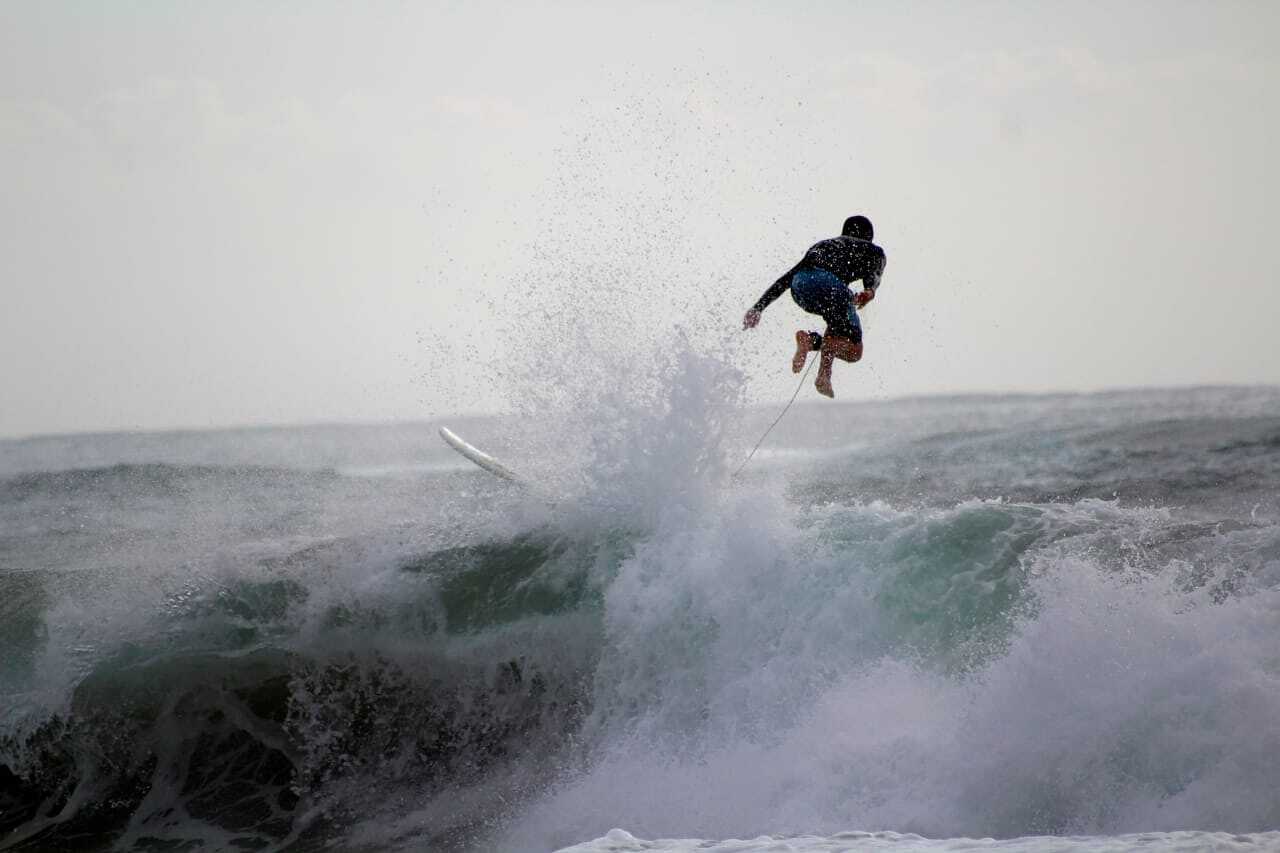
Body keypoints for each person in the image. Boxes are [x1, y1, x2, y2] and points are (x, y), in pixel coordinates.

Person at [742, 215, 886, 397]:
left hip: (801, 286)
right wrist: (870, 291)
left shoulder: (825, 245)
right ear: (869, 236)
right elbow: (874, 275)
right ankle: (822, 371)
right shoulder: (873, 250)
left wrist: (758, 308)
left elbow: (787, 279)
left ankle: (813, 349)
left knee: (835, 322)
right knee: (854, 350)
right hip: (830, 285)